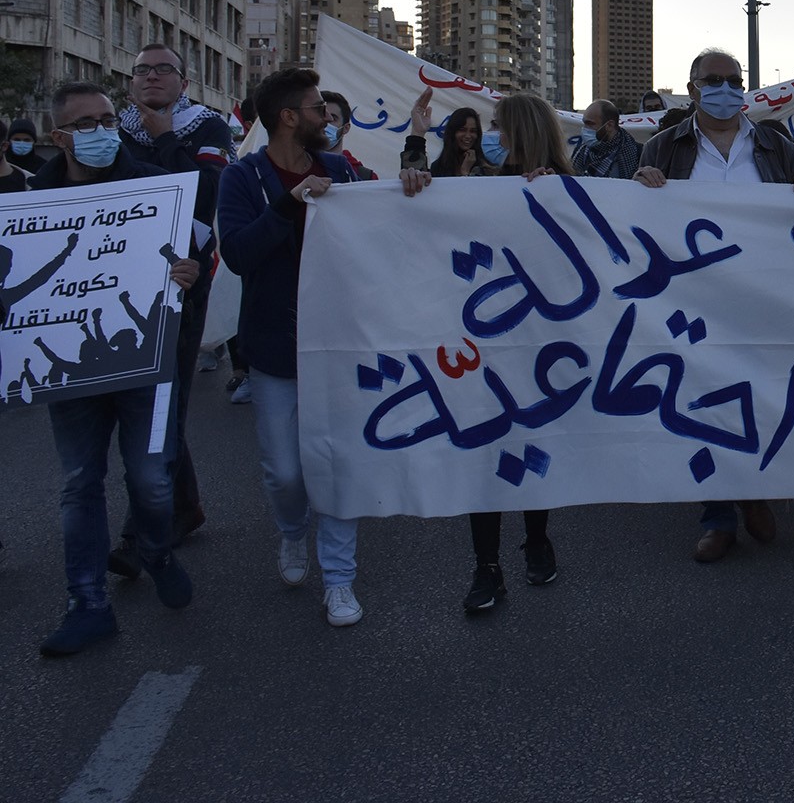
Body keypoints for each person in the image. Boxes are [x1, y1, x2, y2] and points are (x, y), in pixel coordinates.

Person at [219, 68, 429, 627]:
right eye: (318, 111)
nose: (328, 120)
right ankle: (292, 534)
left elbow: (391, 216)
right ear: (289, 117)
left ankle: (339, 578)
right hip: (274, 347)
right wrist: (288, 203)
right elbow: (238, 254)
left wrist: (414, 164)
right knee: (286, 472)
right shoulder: (242, 178)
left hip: (342, 345)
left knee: (339, 466)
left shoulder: (338, 169)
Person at [634, 49, 794, 563]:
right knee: (702, 400)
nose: (724, 88)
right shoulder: (662, 147)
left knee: (761, 395)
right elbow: (636, 225)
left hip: (762, 293)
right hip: (692, 298)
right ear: (692, 88)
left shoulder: (775, 145)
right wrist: (639, 188)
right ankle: (718, 516)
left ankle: (757, 490)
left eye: (733, 80)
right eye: (712, 80)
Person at [28, 82, 198, 656]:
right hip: (69, 368)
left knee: (152, 480)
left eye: (107, 119)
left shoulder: (155, 192)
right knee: (80, 484)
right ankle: (87, 603)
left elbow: (191, 258)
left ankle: (154, 548)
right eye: (85, 124)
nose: (101, 131)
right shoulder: (29, 207)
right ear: (59, 137)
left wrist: (187, 274)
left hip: (146, 363)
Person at [429, 93, 569, 613]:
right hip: (480, 341)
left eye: (496, 125)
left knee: (533, 442)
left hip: (541, 341)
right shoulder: (481, 183)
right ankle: (486, 565)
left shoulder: (570, 185)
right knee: (483, 449)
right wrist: (419, 182)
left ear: (521, 129)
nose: (490, 134)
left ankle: (537, 539)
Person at [110, 44, 231, 568]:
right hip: (120, 278)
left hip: (182, 278)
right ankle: (182, 506)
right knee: (141, 402)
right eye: (142, 70)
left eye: (164, 70)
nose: (151, 77)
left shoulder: (206, 127)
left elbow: (206, 193)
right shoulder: (110, 131)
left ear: (184, 81)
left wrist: (163, 141)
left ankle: (144, 532)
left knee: (165, 400)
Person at [570, 99, 641, 179]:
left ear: (609, 125)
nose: (585, 129)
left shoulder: (637, 153)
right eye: (585, 124)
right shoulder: (580, 152)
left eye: (590, 124)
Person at [319, 91, 380, 181]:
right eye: (320, 116)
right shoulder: (295, 167)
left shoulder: (366, 178)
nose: (325, 123)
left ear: (346, 128)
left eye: (333, 118)